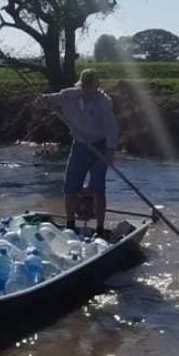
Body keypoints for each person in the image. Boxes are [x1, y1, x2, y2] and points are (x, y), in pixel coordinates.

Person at [38, 69, 119, 236]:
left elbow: (112, 127)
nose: (88, 89)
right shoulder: (69, 95)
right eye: (85, 86)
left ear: (97, 85)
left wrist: (110, 151)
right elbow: (52, 99)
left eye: (91, 86)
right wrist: (45, 100)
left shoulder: (104, 101)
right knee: (70, 186)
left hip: (100, 145)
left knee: (97, 188)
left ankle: (100, 228)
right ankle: (70, 224)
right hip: (81, 144)